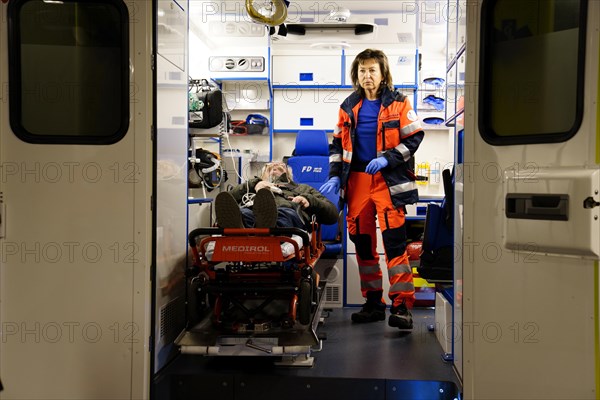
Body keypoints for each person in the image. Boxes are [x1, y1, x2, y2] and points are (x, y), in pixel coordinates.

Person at [320, 49, 424, 330]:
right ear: (357, 74)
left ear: (383, 73)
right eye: (362, 71)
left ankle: (401, 306)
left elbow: (414, 139)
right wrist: (334, 175)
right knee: (364, 246)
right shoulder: (347, 106)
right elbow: (337, 145)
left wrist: (387, 159)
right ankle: (374, 303)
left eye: (372, 70)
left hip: (387, 182)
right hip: (357, 182)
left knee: (394, 245)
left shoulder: (400, 104)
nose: (367, 76)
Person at [215, 161, 339, 230]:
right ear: (263, 174)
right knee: (243, 214)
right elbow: (228, 200)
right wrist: (256, 183)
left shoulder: (302, 188)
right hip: (253, 212)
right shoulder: (252, 187)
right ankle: (240, 229)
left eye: (280, 165)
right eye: (269, 167)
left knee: (283, 216)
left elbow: (332, 214)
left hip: (288, 212)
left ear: (288, 173)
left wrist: (309, 200)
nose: (274, 166)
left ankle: (266, 228)